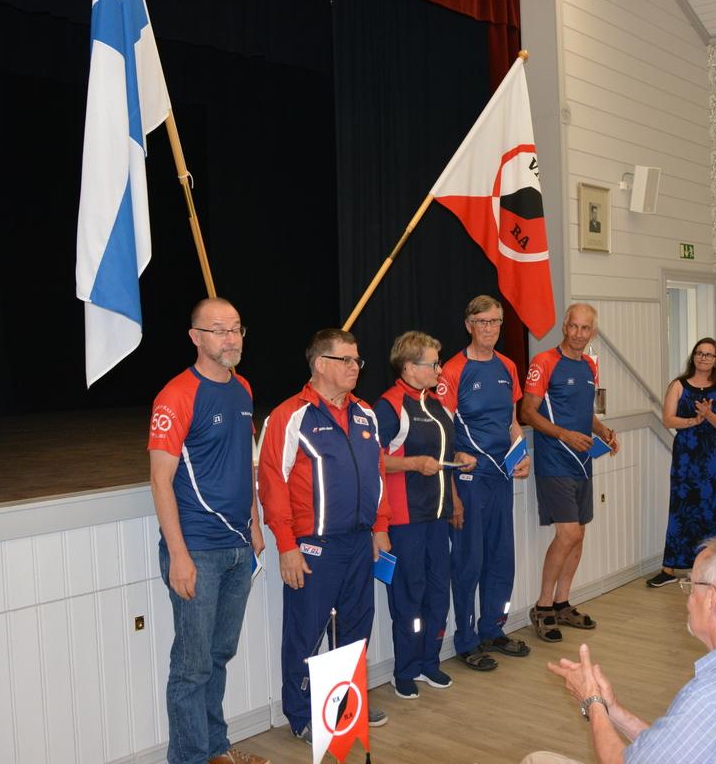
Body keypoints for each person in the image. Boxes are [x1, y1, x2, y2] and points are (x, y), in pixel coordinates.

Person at [523, 536, 716, 764]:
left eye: (691, 586)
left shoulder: (712, 697)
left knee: (537, 760)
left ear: (712, 600)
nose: (688, 600)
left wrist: (592, 703)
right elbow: (670, 752)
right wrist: (612, 710)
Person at [147, 298, 270, 764]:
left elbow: (245, 464)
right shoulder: (176, 395)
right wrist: (178, 555)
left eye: (236, 329)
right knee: (192, 666)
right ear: (195, 337)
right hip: (197, 550)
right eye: (219, 330)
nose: (230, 338)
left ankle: (216, 750)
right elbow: (160, 480)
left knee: (218, 655)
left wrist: (254, 522)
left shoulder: (243, 389)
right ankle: (190, 758)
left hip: (238, 547)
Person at [257, 329, 391, 741]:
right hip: (314, 547)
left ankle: (344, 706)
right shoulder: (289, 416)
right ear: (319, 364)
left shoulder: (365, 413)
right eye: (345, 360)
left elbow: (377, 475)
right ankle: (302, 716)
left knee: (354, 631)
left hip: (359, 543)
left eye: (357, 360)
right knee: (306, 633)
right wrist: (287, 546)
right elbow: (271, 484)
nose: (355, 367)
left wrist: (380, 528)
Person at [374, 331, 476, 699]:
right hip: (405, 519)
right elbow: (373, 461)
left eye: (438, 363)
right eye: (432, 364)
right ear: (408, 367)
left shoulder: (436, 405)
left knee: (437, 590)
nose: (439, 370)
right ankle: (405, 669)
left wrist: (456, 485)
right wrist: (413, 463)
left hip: (438, 514)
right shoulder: (388, 406)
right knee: (409, 594)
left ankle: (430, 661)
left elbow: (444, 457)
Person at [438, 295, 531, 672]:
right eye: (483, 322)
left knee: (500, 557)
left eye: (495, 322)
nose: (490, 328)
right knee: (469, 561)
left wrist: (522, 453)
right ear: (469, 325)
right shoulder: (453, 370)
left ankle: (493, 628)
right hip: (469, 480)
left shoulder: (507, 366)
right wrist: (454, 470)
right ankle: (466, 639)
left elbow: (512, 422)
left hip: (501, 477)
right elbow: (442, 431)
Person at [520, 304, 618, 642]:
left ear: (593, 331)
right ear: (564, 326)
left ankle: (562, 602)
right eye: (573, 326)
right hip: (554, 463)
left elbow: (584, 412)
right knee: (568, 534)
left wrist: (603, 431)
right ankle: (543, 606)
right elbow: (527, 412)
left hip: (582, 461)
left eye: (585, 328)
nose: (578, 333)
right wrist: (564, 435)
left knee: (579, 535)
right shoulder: (544, 362)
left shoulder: (590, 365)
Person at [648, 337, 716, 588]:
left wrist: (708, 415)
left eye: (709, 354)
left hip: (712, 455)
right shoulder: (678, 385)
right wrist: (693, 421)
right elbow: (668, 419)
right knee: (681, 507)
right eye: (699, 353)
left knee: (711, 509)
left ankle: (708, 569)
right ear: (693, 357)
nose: (703, 358)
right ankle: (669, 568)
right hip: (686, 453)